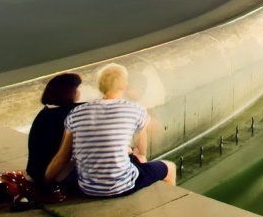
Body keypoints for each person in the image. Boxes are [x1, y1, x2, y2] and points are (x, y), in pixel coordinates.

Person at [45, 63, 175, 197]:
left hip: (87, 188)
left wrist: (45, 183)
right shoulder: (135, 110)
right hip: (122, 186)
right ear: (124, 86)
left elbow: (62, 156)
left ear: (101, 86)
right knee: (168, 167)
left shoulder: (76, 113)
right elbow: (142, 151)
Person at [27, 72, 82, 191]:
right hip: (53, 174)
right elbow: (62, 157)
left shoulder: (45, 113)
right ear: (70, 92)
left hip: (36, 172)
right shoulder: (72, 113)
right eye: (77, 88)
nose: (80, 91)